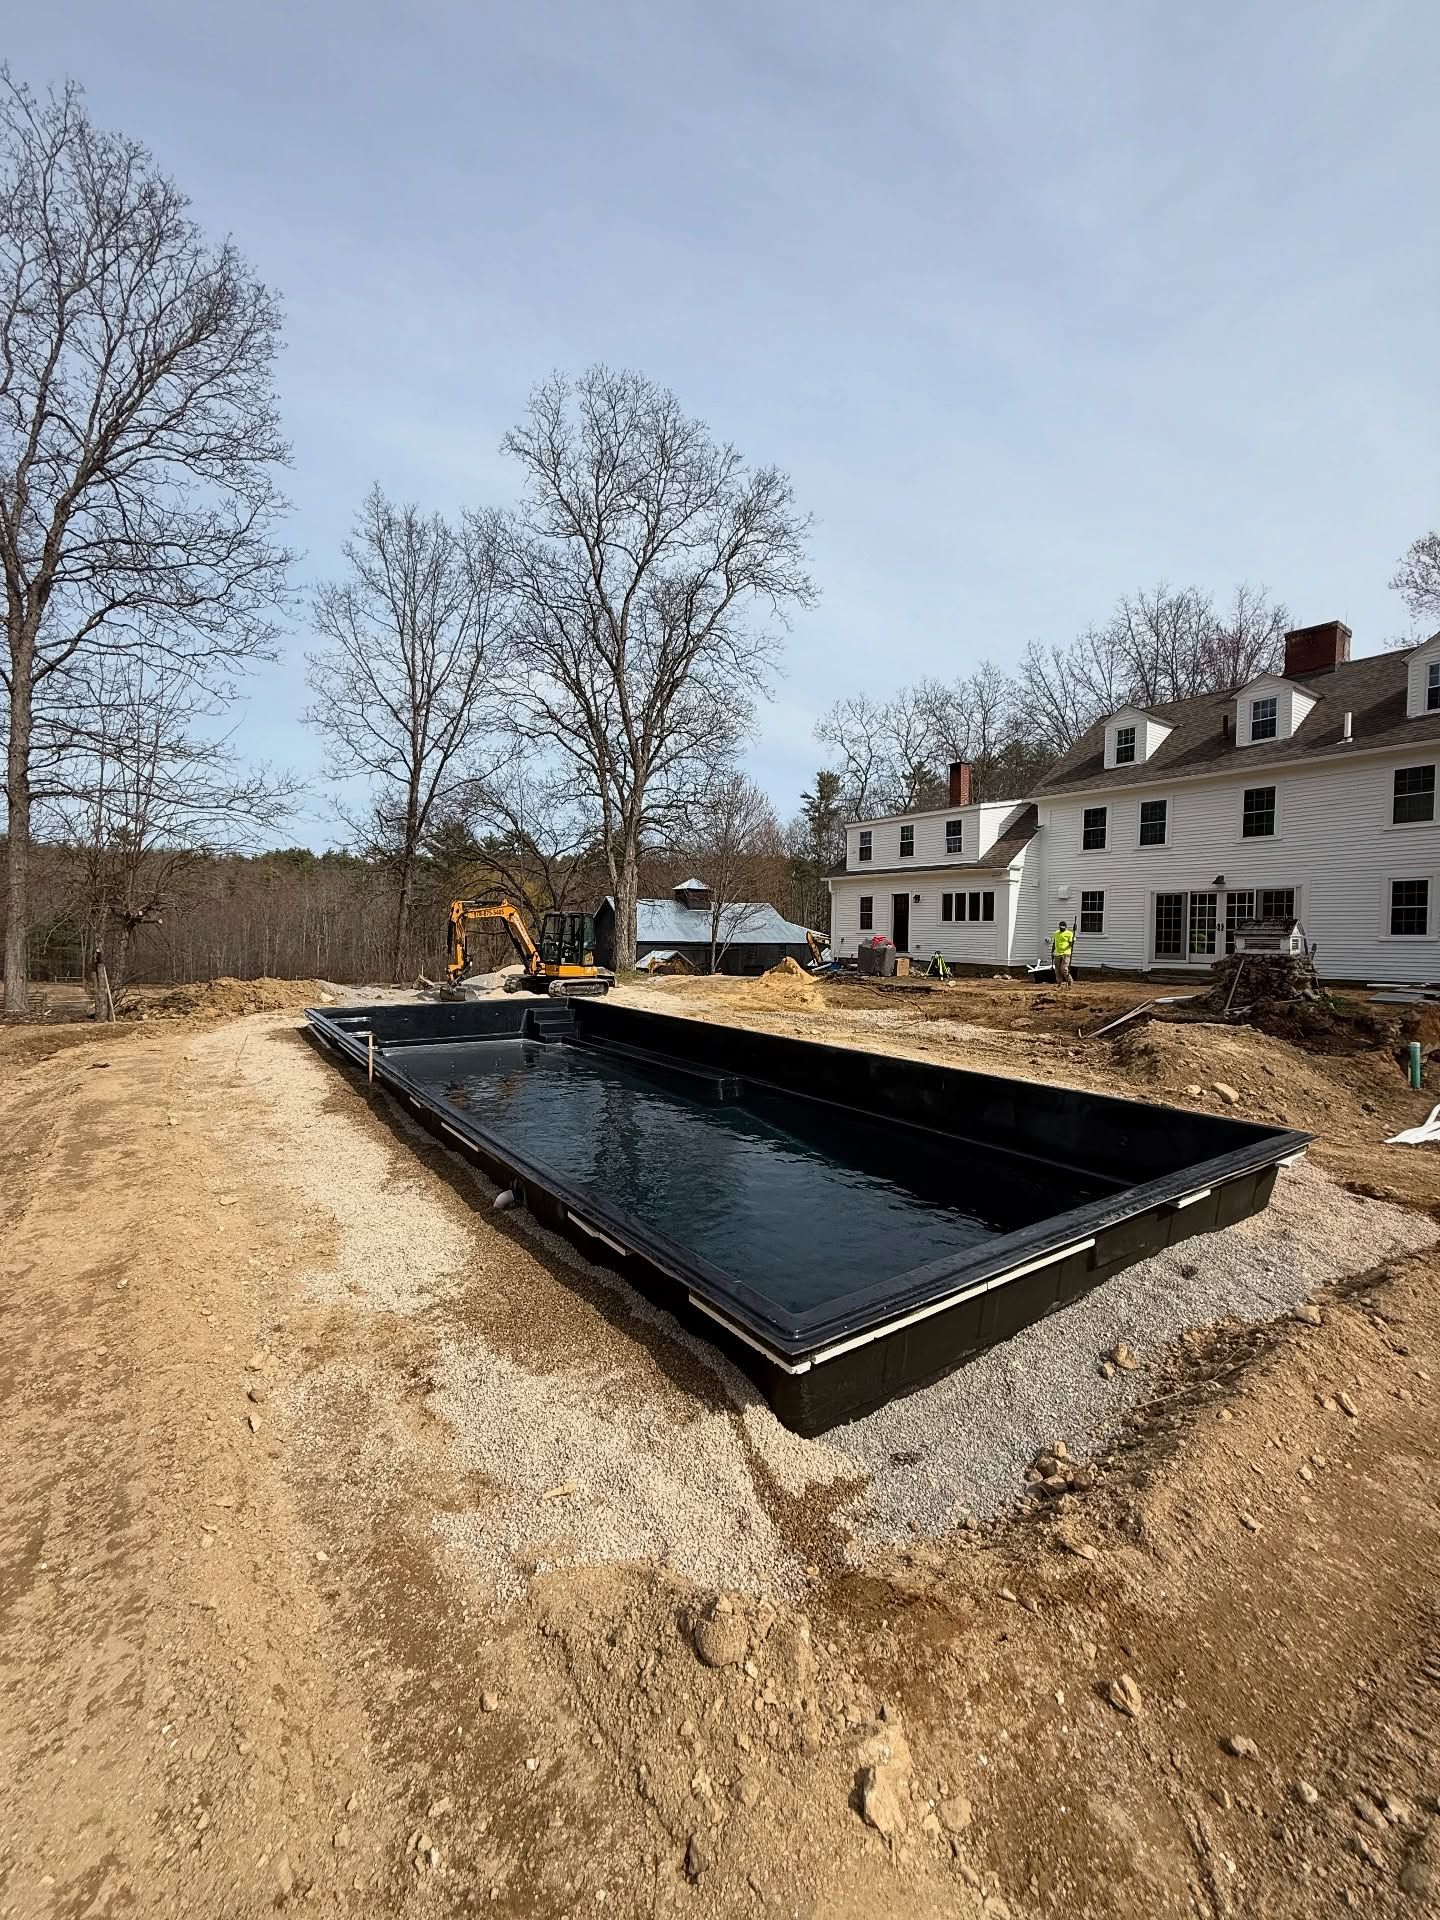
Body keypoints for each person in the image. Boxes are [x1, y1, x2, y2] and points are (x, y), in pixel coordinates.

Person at [1050, 919, 1075, 986]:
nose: (1061, 929)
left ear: (1066, 927)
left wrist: (1073, 941)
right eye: (1060, 928)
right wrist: (1052, 952)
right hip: (1057, 953)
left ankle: (1069, 982)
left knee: (1064, 969)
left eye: (1063, 928)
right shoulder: (1056, 933)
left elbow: (1071, 944)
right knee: (1057, 970)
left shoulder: (1069, 933)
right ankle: (1059, 983)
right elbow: (1054, 943)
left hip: (1066, 953)